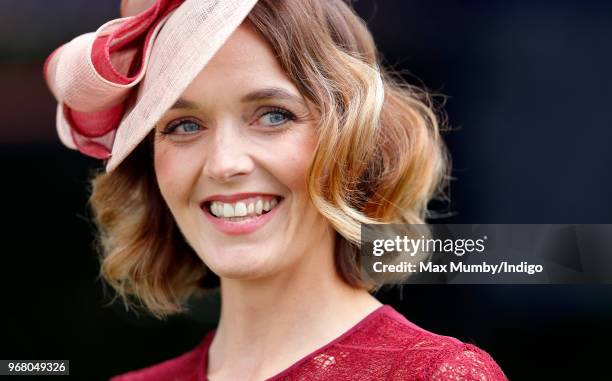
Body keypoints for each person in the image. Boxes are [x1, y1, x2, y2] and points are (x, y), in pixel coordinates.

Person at [44, 0, 508, 379]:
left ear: (352, 139)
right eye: (184, 125)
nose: (225, 163)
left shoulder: (433, 375)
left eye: (272, 115)